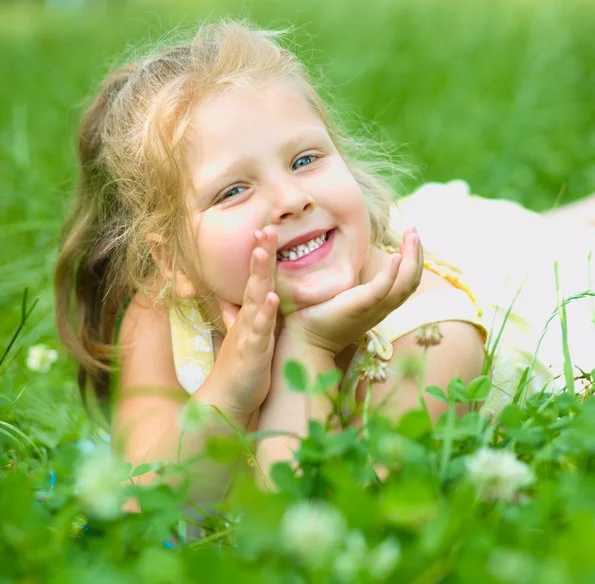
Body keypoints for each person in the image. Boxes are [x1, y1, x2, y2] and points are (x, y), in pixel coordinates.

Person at [54, 20, 595, 513]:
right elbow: (140, 508)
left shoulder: (430, 336)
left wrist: (308, 347)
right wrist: (227, 391)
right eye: (234, 190)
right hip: (436, 241)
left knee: (562, 241)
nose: (290, 197)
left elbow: (319, 524)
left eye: (305, 160)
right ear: (172, 260)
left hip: (528, 281)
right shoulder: (163, 311)